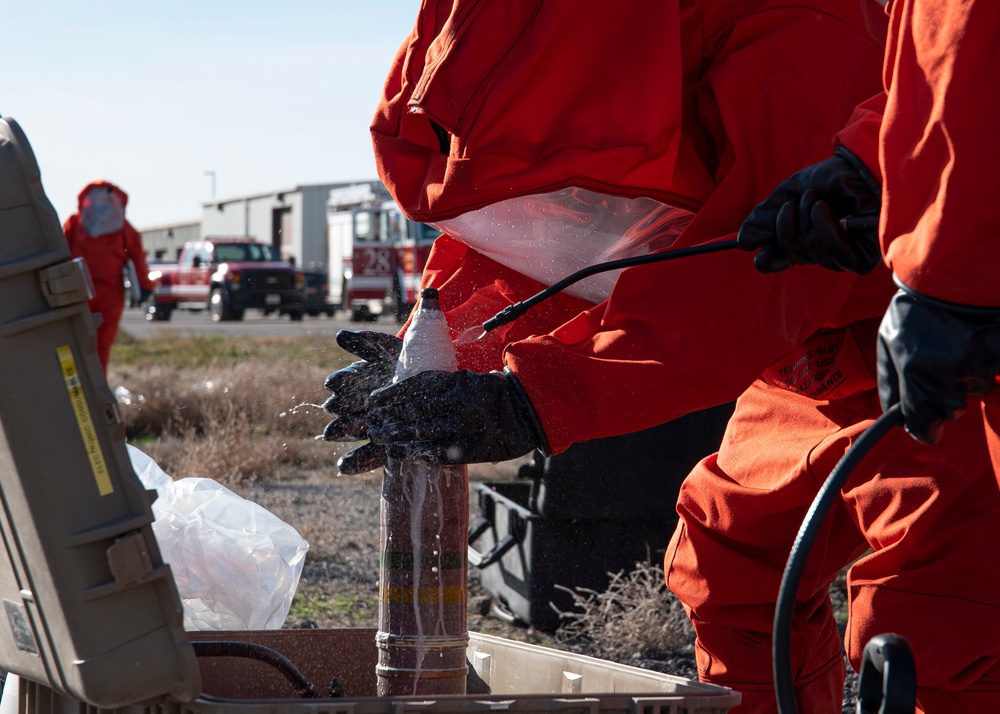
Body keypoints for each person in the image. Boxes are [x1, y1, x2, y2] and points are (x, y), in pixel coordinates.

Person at [322, 2, 911, 710]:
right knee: (735, 561)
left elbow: (761, 277)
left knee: (936, 617)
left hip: (949, 341)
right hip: (818, 355)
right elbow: (559, 224)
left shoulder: (794, 31)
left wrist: (533, 399)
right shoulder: (557, 31)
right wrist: (448, 353)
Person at [736, 2, 1000, 710]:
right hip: (900, 312)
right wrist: (865, 169)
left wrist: (949, 283)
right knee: (728, 553)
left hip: (942, 307)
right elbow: (938, 67)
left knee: (941, 617)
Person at [63, 179, 153, 374]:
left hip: (88, 291)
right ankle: (93, 390)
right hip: (90, 291)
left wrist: (145, 286)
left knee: (83, 342)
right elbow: (138, 258)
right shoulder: (77, 225)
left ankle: (91, 391)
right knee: (90, 343)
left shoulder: (75, 224)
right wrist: (146, 286)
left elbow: (58, 255)